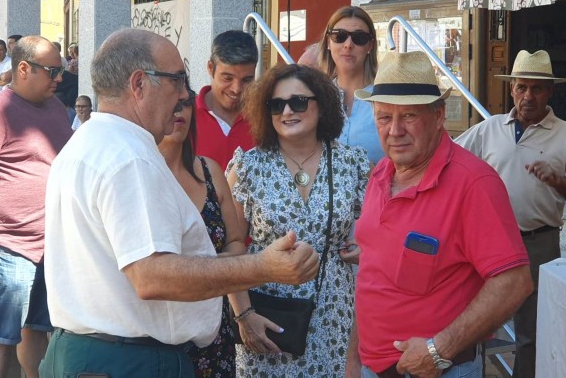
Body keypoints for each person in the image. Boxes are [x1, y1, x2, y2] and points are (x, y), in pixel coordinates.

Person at [41, 29, 320, 378]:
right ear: (139, 84)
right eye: (176, 81)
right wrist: (264, 266)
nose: (183, 96)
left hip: (96, 353)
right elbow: (152, 276)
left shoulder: (89, 143)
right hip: (128, 361)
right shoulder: (129, 158)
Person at [347, 51, 533, 378]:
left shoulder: (474, 183)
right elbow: (371, 277)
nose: (395, 130)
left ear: (438, 116)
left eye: (409, 116)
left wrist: (439, 350)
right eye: (384, 117)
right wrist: (353, 361)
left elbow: (514, 282)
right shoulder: (379, 175)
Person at [454, 49, 566, 378]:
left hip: (539, 244)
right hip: (486, 242)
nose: (528, 96)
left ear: (550, 92)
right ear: (511, 89)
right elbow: (449, 161)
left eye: (536, 88)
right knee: (471, 323)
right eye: (521, 87)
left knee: (532, 334)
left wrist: (558, 180)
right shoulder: (488, 129)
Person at [226, 64, 369, 377]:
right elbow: (230, 248)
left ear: (322, 106)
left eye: (298, 102)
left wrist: (365, 249)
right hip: (266, 318)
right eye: (277, 105)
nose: (287, 111)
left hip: (333, 316)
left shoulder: (352, 163)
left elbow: (375, 235)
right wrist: (244, 315)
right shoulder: (248, 166)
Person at [0, 36, 72, 378]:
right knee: (0, 336)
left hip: (50, 244)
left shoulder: (53, 107)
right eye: (53, 71)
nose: (59, 78)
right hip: (8, 245)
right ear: (24, 69)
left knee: (37, 328)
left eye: (60, 70)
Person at [158, 86, 245, 377]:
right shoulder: (139, 172)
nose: (178, 111)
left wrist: (209, 272)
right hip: (156, 330)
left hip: (212, 326)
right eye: (170, 103)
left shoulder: (210, 171)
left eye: (184, 104)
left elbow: (234, 241)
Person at [317, 5, 384, 165]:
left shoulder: (385, 97)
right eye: (339, 36)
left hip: (376, 188)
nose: (348, 44)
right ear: (328, 42)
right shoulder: (316, 97)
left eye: (359, 38)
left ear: (370, 45)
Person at [195, 30, 258, 170]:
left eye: (247, 80)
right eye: (227, 78)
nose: (236, 89)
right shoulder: (185, 118)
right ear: (211, 68)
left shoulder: (266, 116)